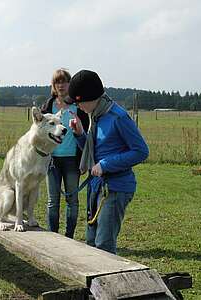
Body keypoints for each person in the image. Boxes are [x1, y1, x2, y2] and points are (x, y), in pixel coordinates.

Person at [68, 69, 149, 254]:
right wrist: (80, 134)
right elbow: (95, 153)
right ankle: (93, 284)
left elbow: (141, 151)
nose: (78, 106)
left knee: (104, 244)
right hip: (96, 187)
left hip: (116, 187)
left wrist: (106, 164)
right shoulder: (96, 116)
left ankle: (107, 283)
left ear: (91, 97)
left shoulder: (118, 117)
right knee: (90, 241)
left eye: (79, 102)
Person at [41, 69, 89, 238]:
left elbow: (85, 138)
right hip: (52, 161)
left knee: (72, 201)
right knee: (52, 202)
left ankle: (69, 237)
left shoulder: (79, 108)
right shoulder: (47, 106)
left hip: (72, 161)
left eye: (64, 82)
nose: (61, 85)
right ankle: (53, 237)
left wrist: (84, 161)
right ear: (53, 86)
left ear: (70, 84)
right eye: (57, 82)